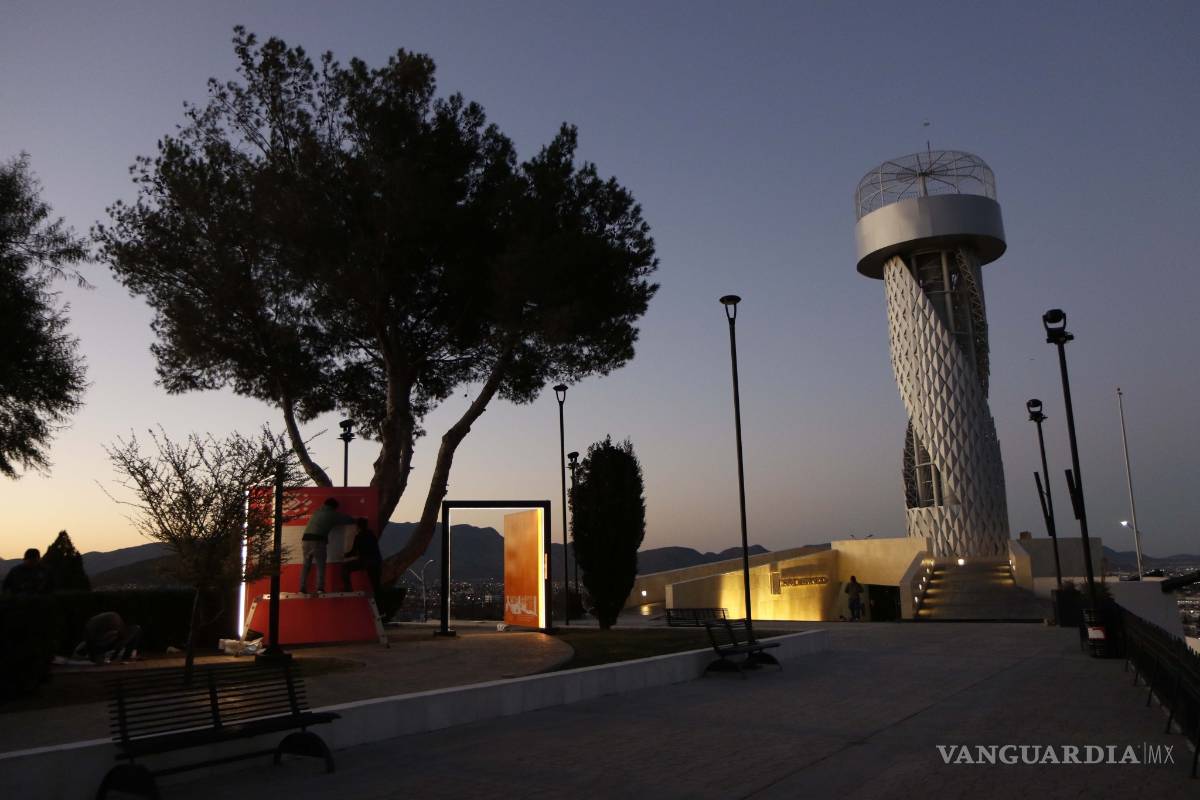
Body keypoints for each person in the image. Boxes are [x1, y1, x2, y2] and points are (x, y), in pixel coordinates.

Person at [298, 498, 355, 595]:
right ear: (334, 507)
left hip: (306, 540)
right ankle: (320, 588)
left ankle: (302, 588)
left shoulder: (316, 512)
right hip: (318, 541)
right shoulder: (333, 514)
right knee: (320, 565)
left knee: (306, 565)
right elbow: (348, 520)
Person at [74, 611, 141, 664]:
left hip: (97, 638)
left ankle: (125, 656)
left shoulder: (117, 628)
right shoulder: (92, 641)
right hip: (96, 640)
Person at [341, 517, 382, 598]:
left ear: (358, 527)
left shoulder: (359, 537)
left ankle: (348, 589)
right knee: (375, 583)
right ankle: (378, 599)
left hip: (365, 561)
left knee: (345, 568)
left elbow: (353, 551)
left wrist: (343, 555)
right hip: (377, 561)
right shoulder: (372, 535)